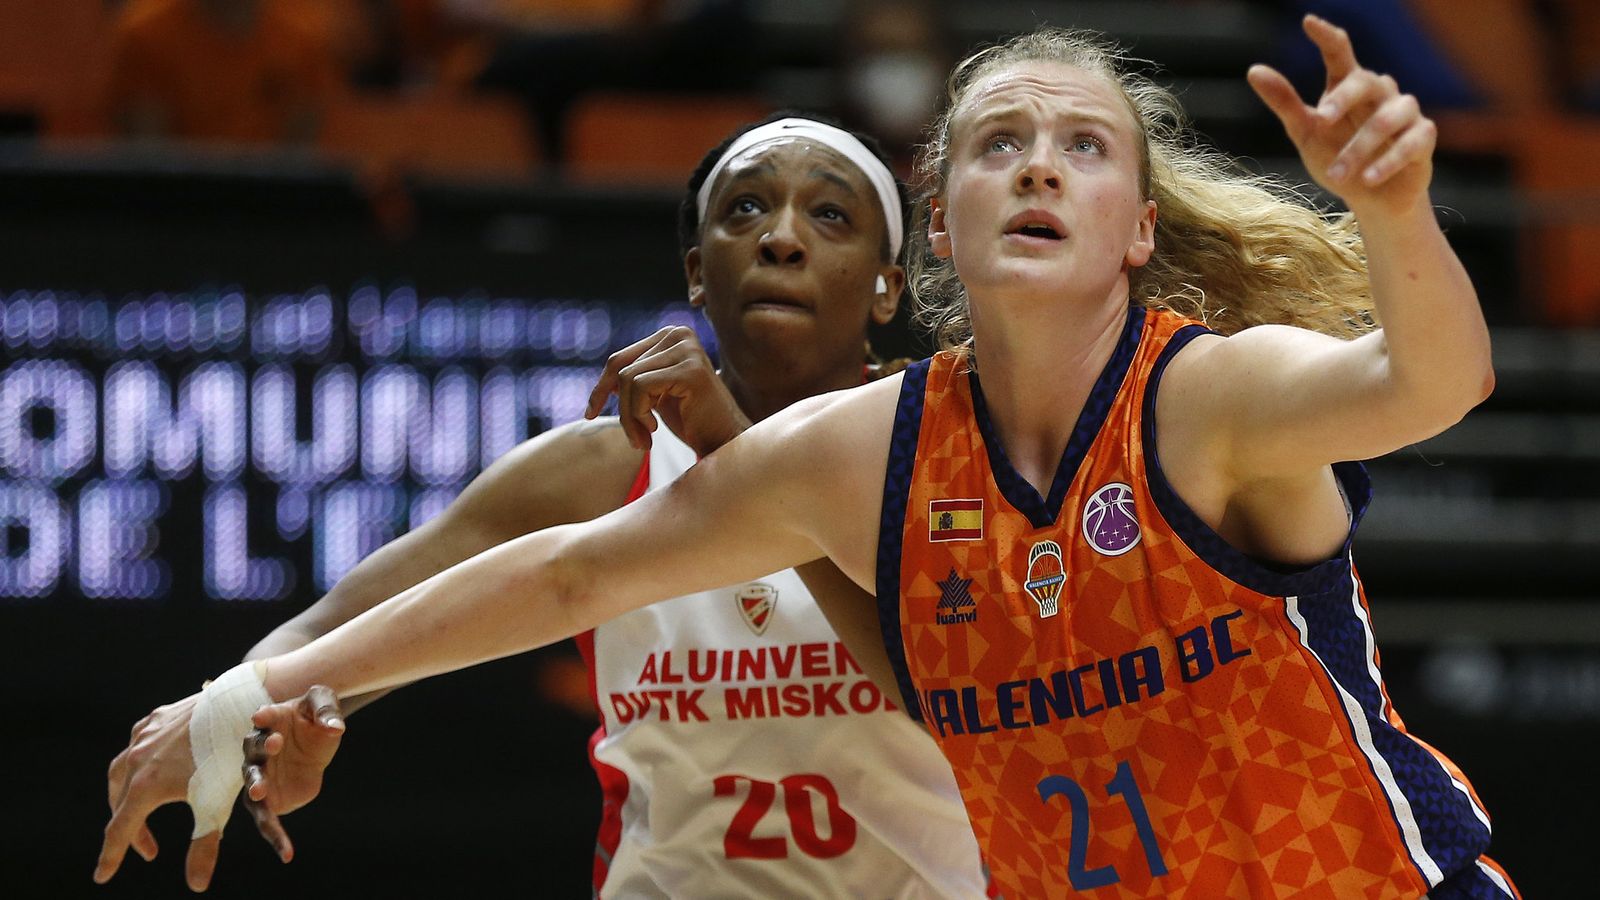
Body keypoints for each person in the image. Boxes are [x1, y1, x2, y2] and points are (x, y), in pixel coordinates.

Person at [99, 15, 1518, 898]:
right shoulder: (867, 454)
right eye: (999, 144)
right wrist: (252, 690)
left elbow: (1437, 377)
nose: (1036, 165)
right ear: (944, 226)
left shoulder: (1211, 400)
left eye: (1083, 148)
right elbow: (564, 576)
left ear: (1139, 230)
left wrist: (1395, 214)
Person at [101, 112, 990, 897]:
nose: (781, 238)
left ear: (887, 284)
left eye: (828, 214)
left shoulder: (943, 450)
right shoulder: (598, 471)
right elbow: (334, 631)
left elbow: (957, 695)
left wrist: (731, 449)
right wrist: (252, 729)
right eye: (745, 210)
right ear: (695, 271)